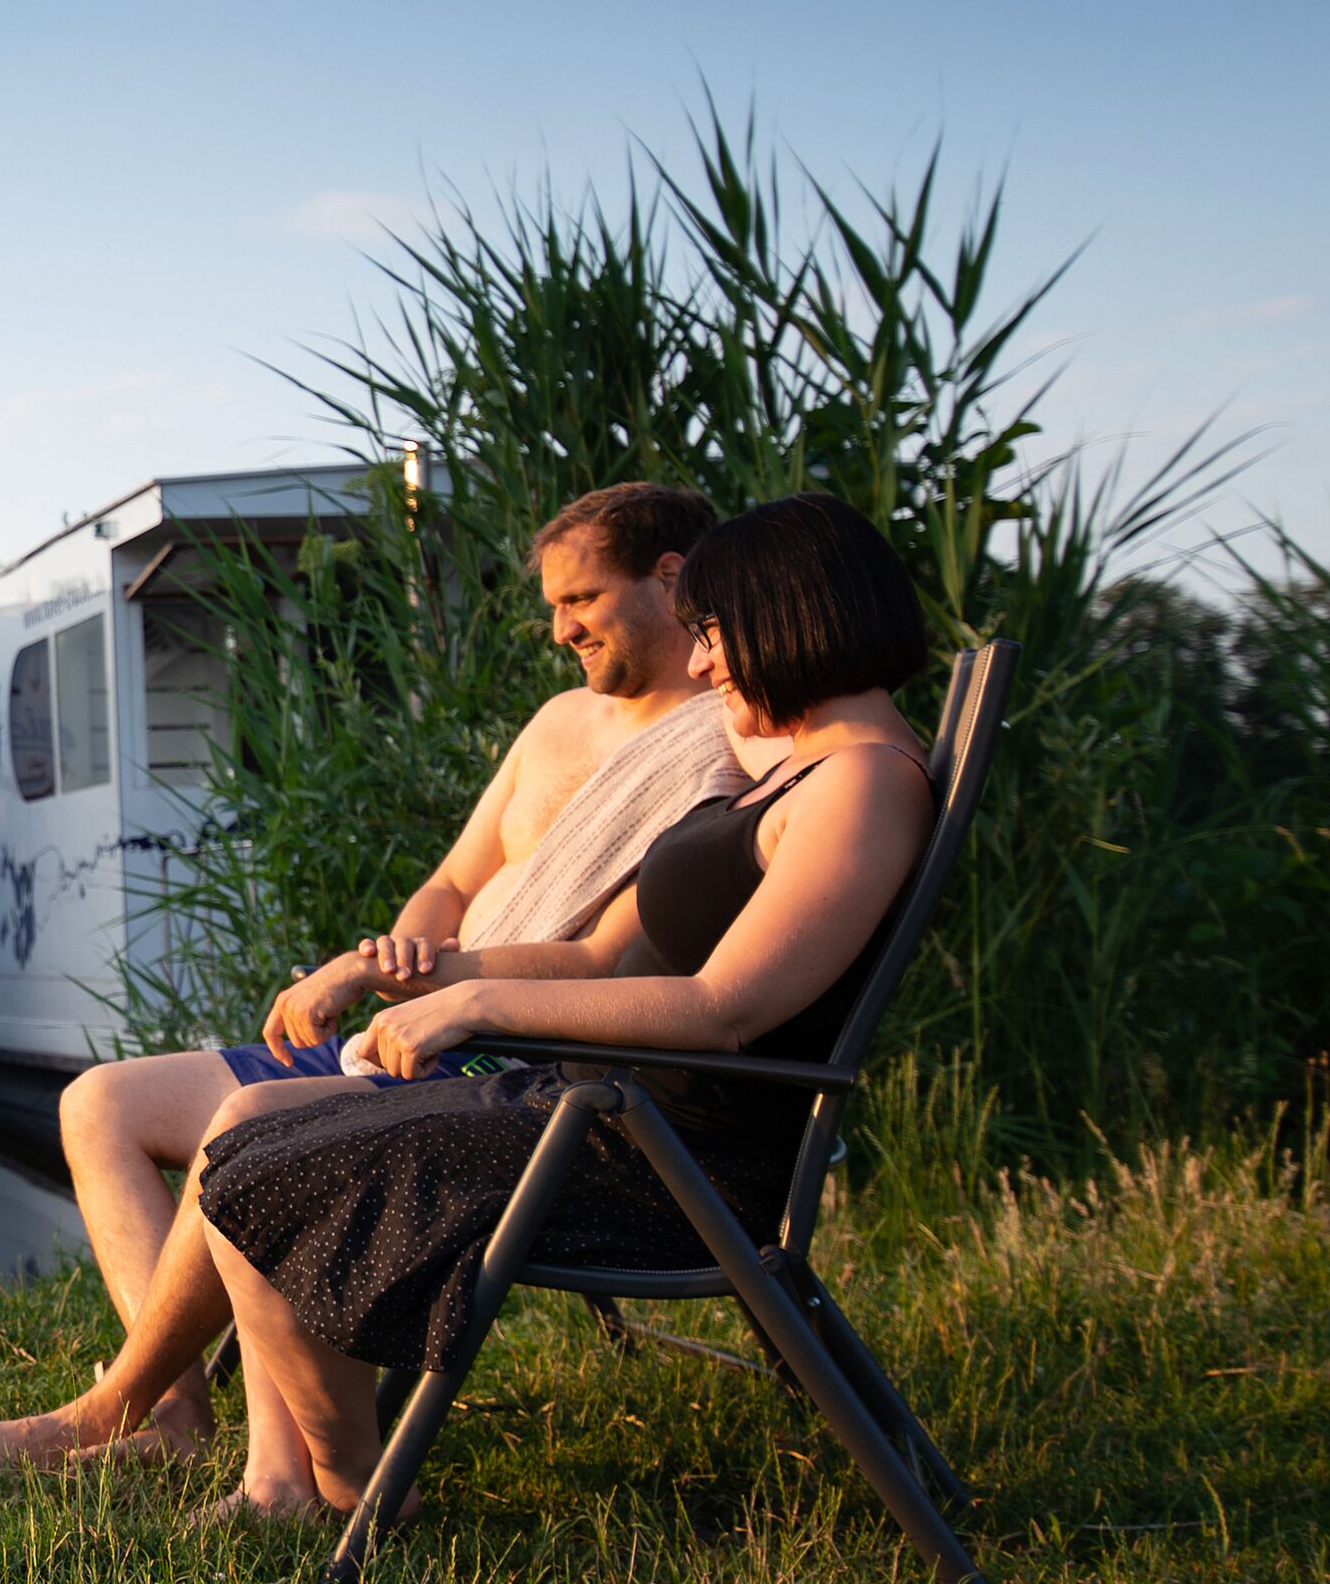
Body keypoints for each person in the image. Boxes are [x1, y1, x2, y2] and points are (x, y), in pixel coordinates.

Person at [0, 481, 739, 1468]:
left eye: (579, 600)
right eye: (550, 607)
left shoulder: (719, 744)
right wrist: (396, 955)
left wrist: (432, 988)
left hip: (490, 1052)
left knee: (260, 1127)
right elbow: (450, 881)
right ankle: (175, 1423)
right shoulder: (557, 724)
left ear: (670, 578)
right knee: (100, 1102)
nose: (559, 628)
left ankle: (127, 1413)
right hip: (418, 1009)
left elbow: (607, 959)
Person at [186, 492, 937, 1522]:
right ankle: (307, 1481)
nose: (706, 666)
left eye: (715, 637)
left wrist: (475, 1001)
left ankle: (359, 1490)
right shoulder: (809, 765)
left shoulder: (862, 786)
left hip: (665, 1159)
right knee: (249, 1132)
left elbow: (726, 1008)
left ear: (786, 617)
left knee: (260, 1176)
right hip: (607, 1111)